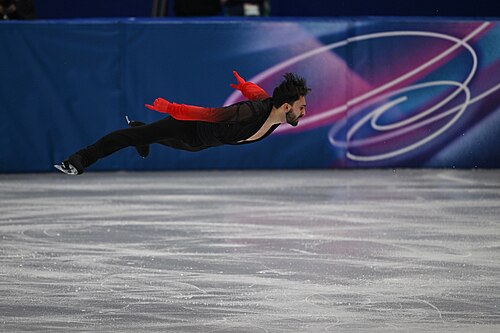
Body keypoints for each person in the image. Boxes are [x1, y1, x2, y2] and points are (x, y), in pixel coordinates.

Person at [54, 71, 311, 175]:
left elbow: (259, 94)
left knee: (149, 136)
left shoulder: (273, 109)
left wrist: (245, 86)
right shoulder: (251, 112)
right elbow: (210, 114)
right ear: (286, 106)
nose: (304, 112)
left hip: (200, 143)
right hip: (189, 127)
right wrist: (173, 110)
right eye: (302, 107)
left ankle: (140, 130)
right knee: (133, 138)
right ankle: (79, 160)